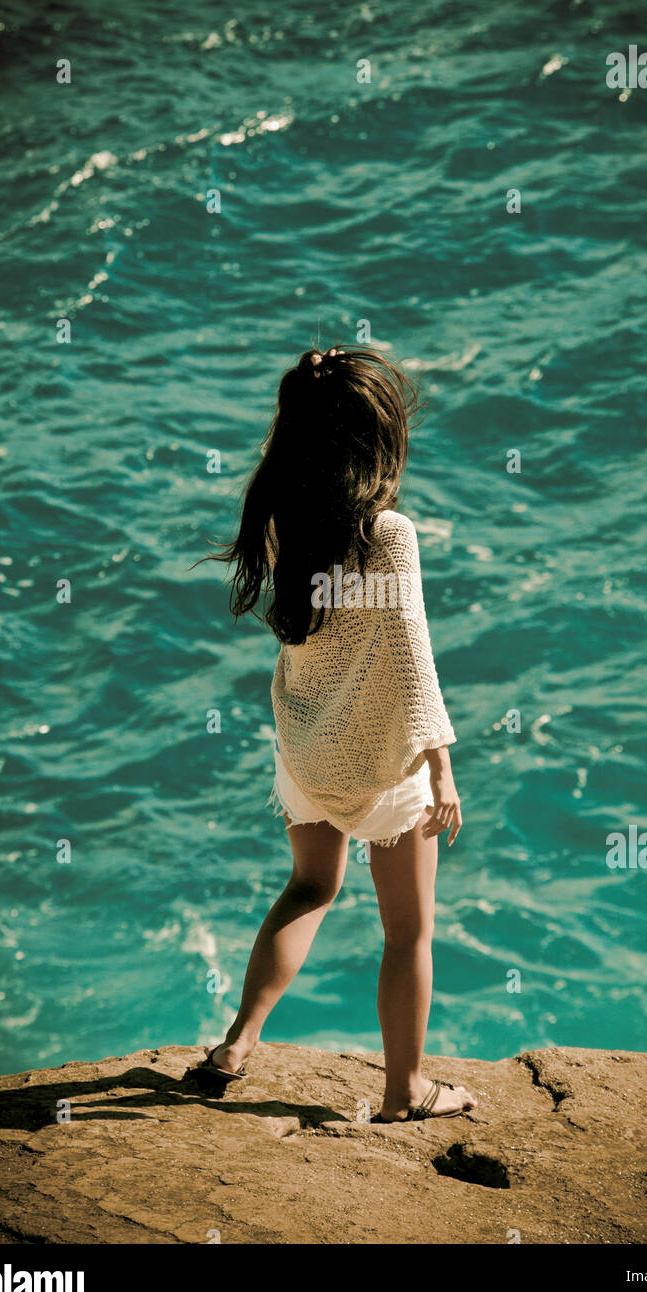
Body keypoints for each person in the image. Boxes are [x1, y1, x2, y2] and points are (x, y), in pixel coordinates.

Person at [188, 345, 476, 1123]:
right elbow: (412, 658)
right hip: (380, 766)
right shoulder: (388, 534)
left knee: (310, 887)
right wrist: (441, 768)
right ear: (373, 441)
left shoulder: (283, 511)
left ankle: (236, 1044)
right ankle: (404, 1092)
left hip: (304, 750)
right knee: (407, 933)